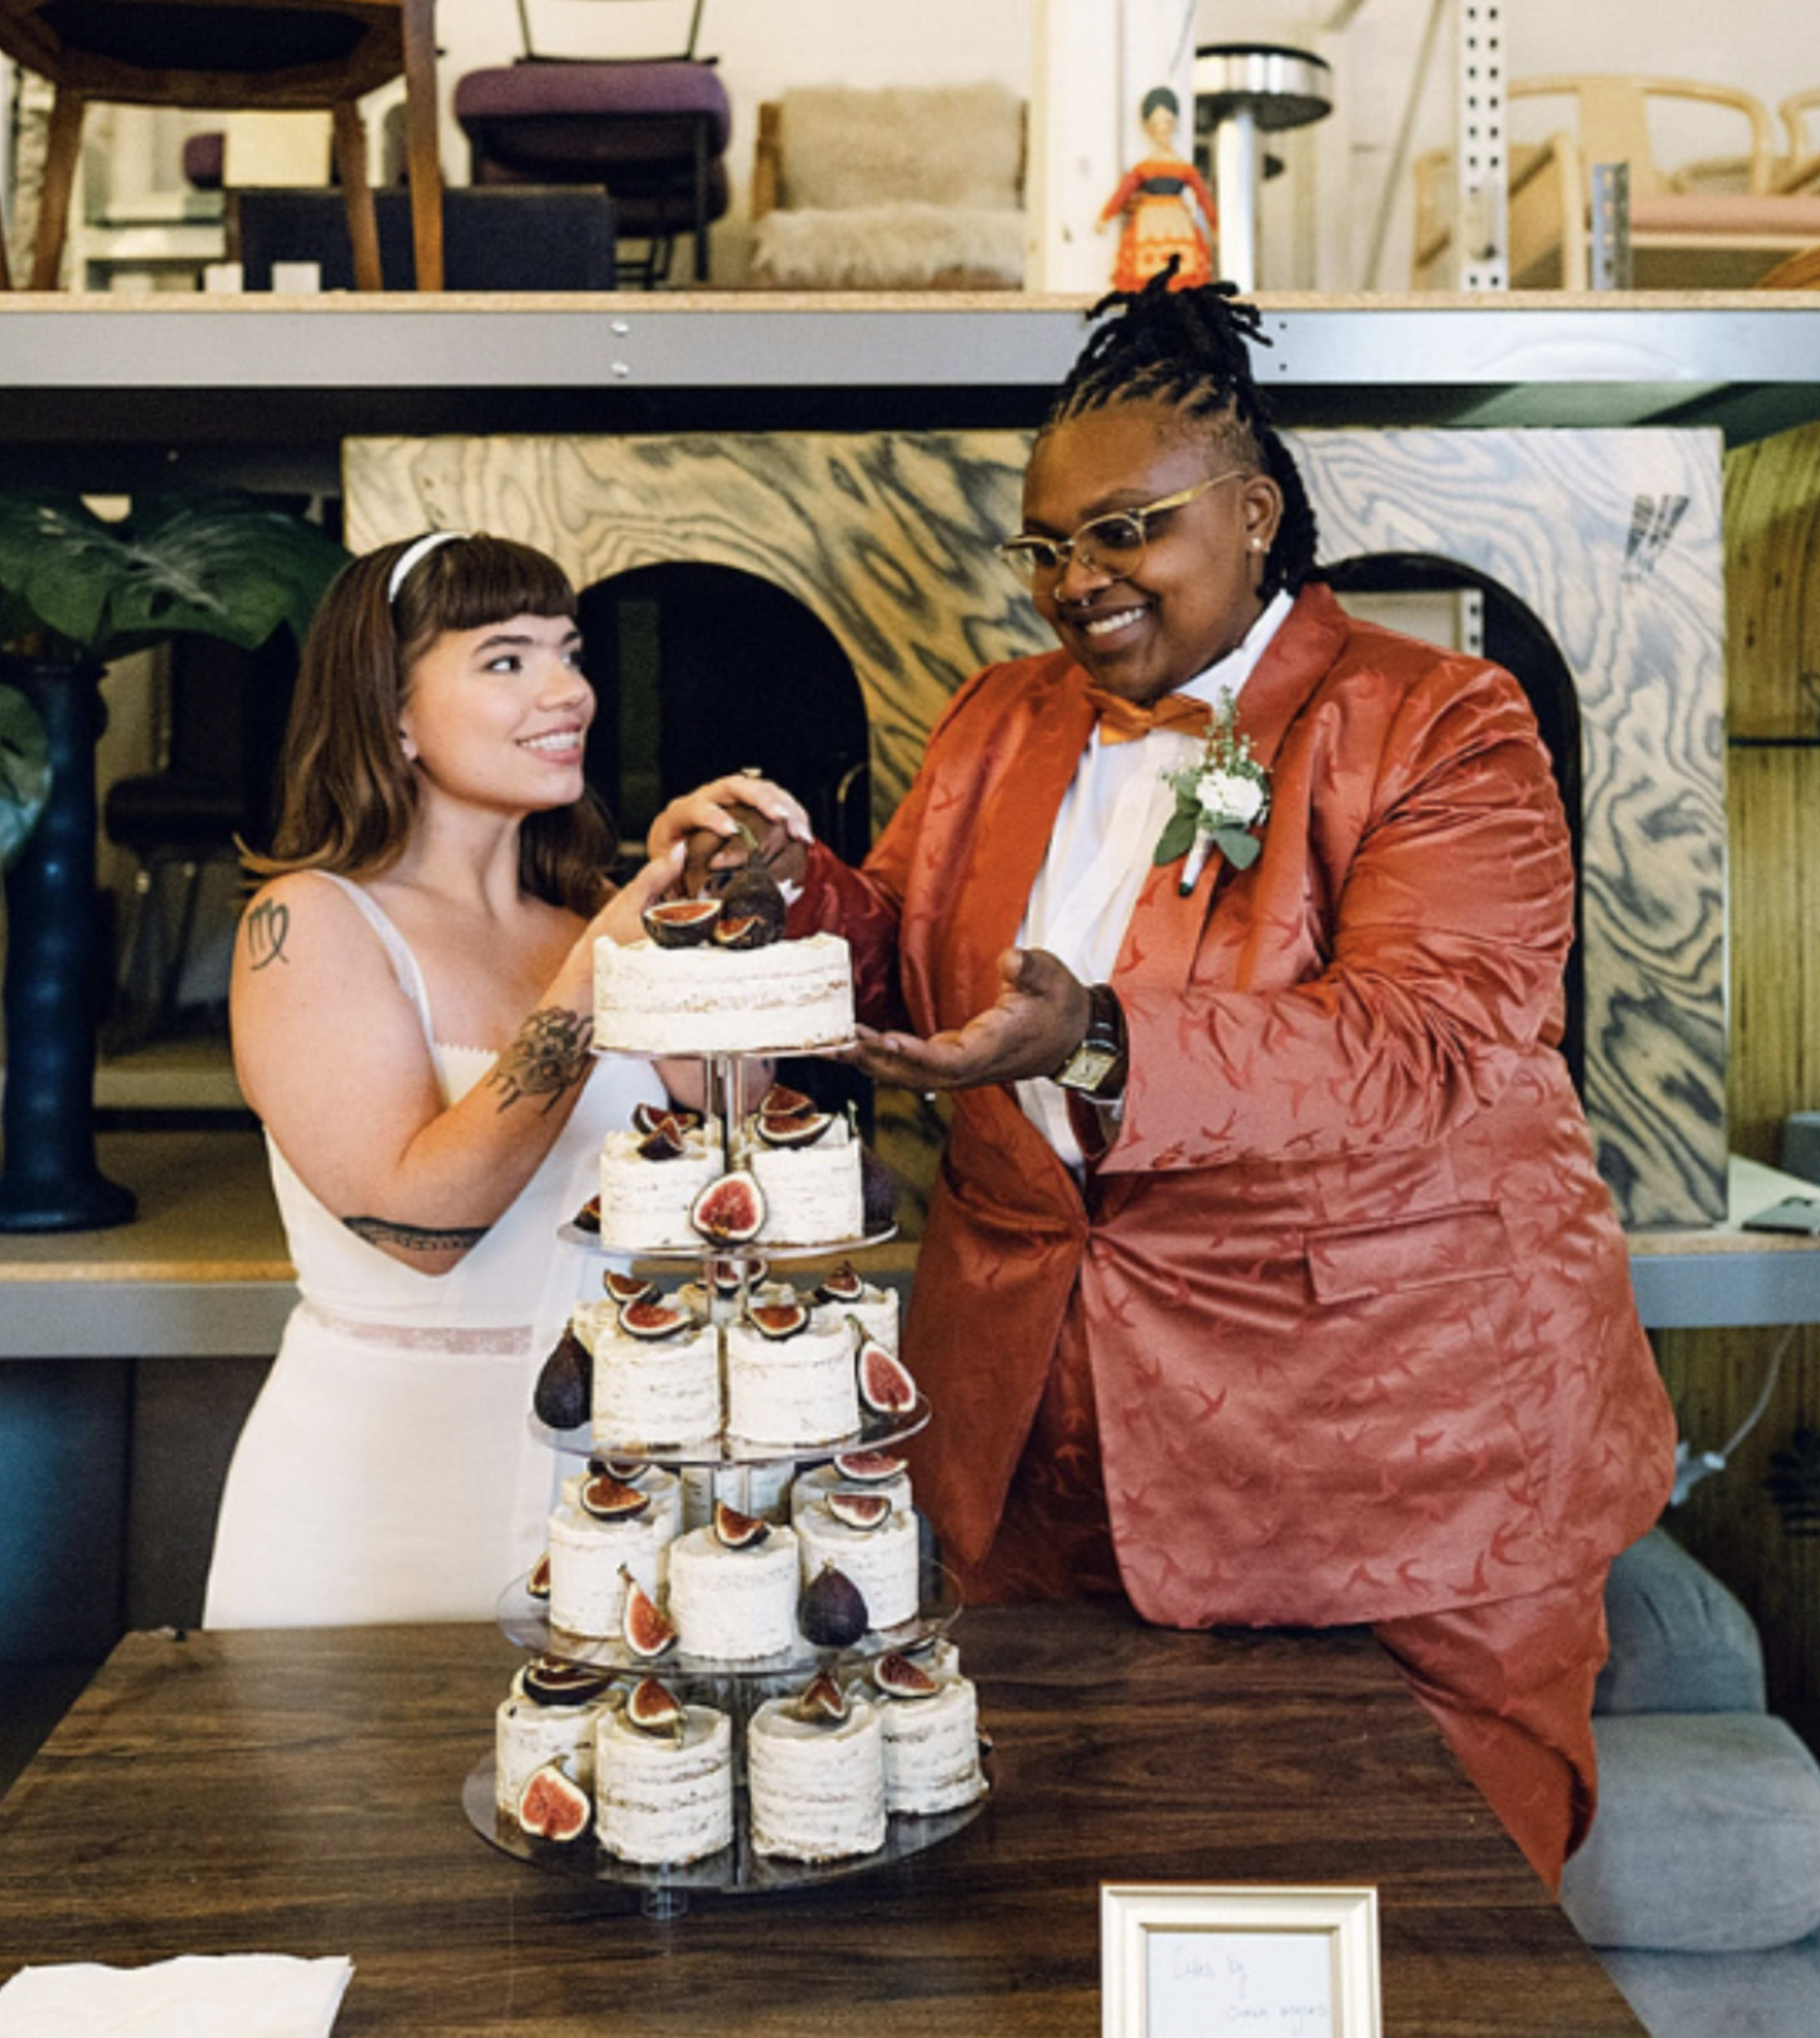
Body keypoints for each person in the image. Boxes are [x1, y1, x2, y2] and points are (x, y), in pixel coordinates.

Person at [650, 276, 1676, 1888]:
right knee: (1073, 1935)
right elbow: (912, 962)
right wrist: (789, 892)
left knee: (1429, 1944)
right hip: (1036, 1461)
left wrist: (1098, 1038)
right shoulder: (1000, 721)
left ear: (1256, 513)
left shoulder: (1437, 721)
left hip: (1397, 1468)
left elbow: (1431, 1045)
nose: (1076, 582)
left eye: (1126, 532)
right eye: (1045, 547)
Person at [203, 531, 689, 1629]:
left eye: (568, 652)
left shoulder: (587, 925)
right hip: (373, 1507)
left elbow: (734, 1166)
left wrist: (724, 907)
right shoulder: (312, 920)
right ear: (393, 713)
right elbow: (422, 1228)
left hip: (611, 1500)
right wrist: (598, 979)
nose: (568, 690)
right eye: (506, 659)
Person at [1095, 86, 1217, 293]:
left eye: (1167, 123)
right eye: (1156, 124)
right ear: (1148, 128)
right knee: (1147, 272)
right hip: (1149, 223)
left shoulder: (1184, 168)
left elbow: (1204, 198)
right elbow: (1122, 194)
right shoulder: (1143, 169)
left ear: (1175, 124)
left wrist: (1215, 225)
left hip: (1177, 223)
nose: (1162, 129)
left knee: (1180, 272)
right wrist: (1106, 217)